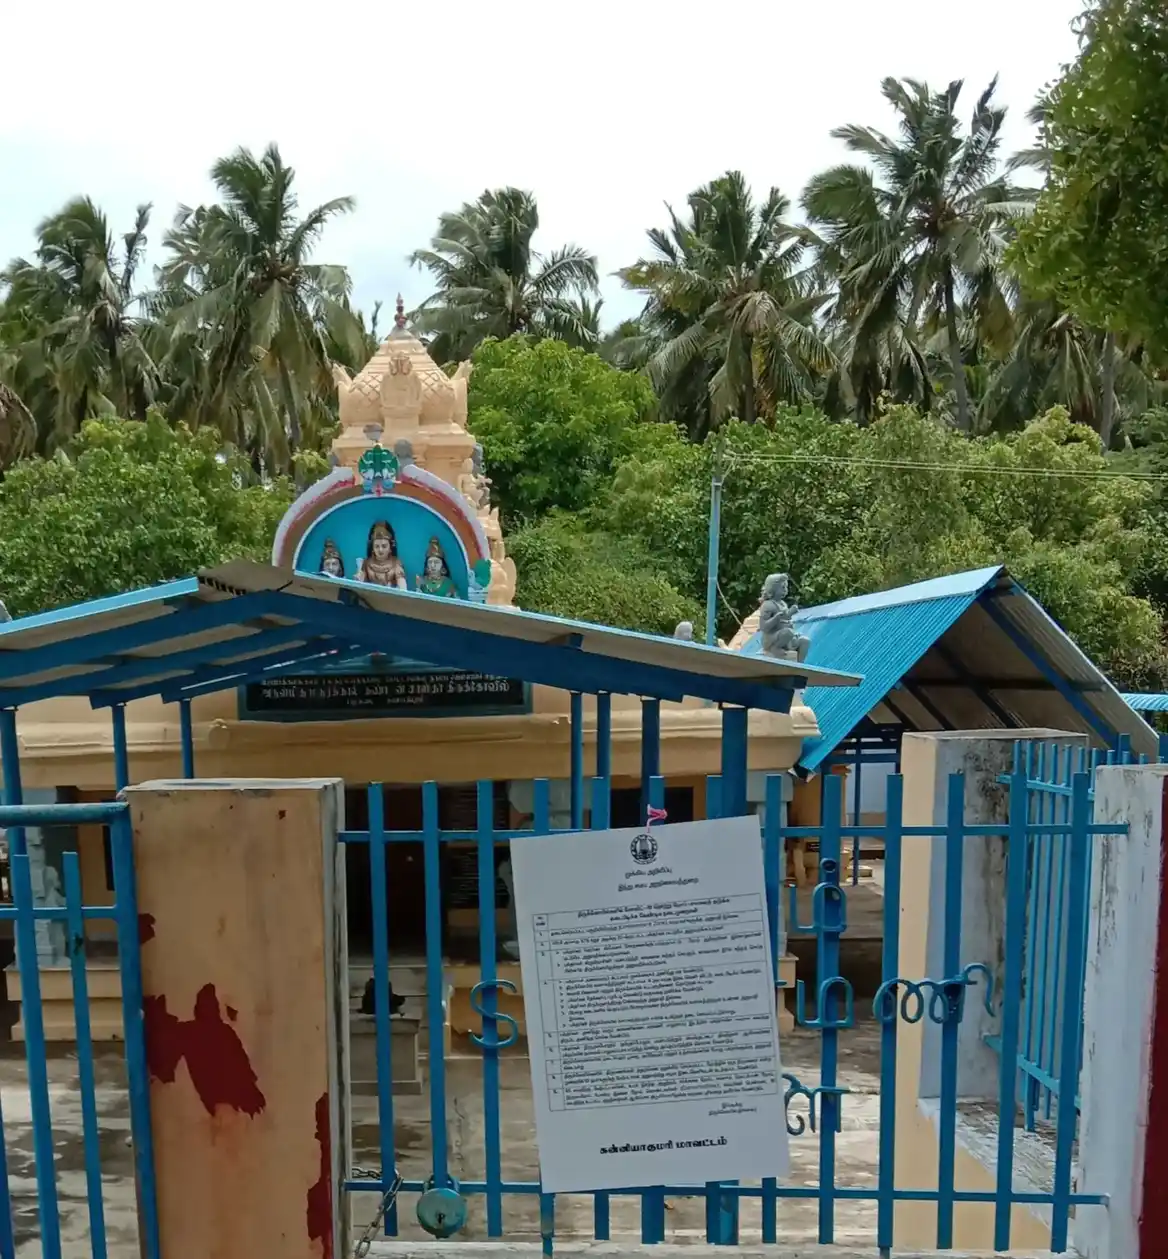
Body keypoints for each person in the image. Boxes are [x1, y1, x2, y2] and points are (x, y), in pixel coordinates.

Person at [357, 521, 407, 589]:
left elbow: (402, 587)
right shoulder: (367, 563)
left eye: (384, 546)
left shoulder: (396, 563)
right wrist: (359, 578)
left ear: (390, 548)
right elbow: (361, 584)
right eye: (377, 546)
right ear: (372, 548)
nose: (380, 550)